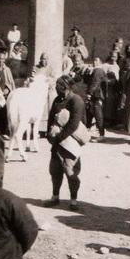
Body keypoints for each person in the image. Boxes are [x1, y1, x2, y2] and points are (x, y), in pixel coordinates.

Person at [46, 75, 86, 210]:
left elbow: (73, 124)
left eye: (59, 87)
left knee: (70, 171)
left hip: (70, 143)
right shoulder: (57, 99)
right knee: (55, 170)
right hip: (56, 143)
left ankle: (73, 200)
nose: (57, 90)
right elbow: (51, 117)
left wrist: (59, 137)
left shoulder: (76, 101)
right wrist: (49, 134)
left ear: (66, 87)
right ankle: (55, 196)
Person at [85, 57, 107, 142]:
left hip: (97, 95)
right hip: (96, 95)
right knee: (92, 113)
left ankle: (101, 135)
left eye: (96, 60)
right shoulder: (95, 70)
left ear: (100, 62)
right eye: (94, 60)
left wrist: (89, 93)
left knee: (98, 115)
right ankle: (95, 133)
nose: (94, 62)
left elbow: (95, 83)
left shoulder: (98, 71)